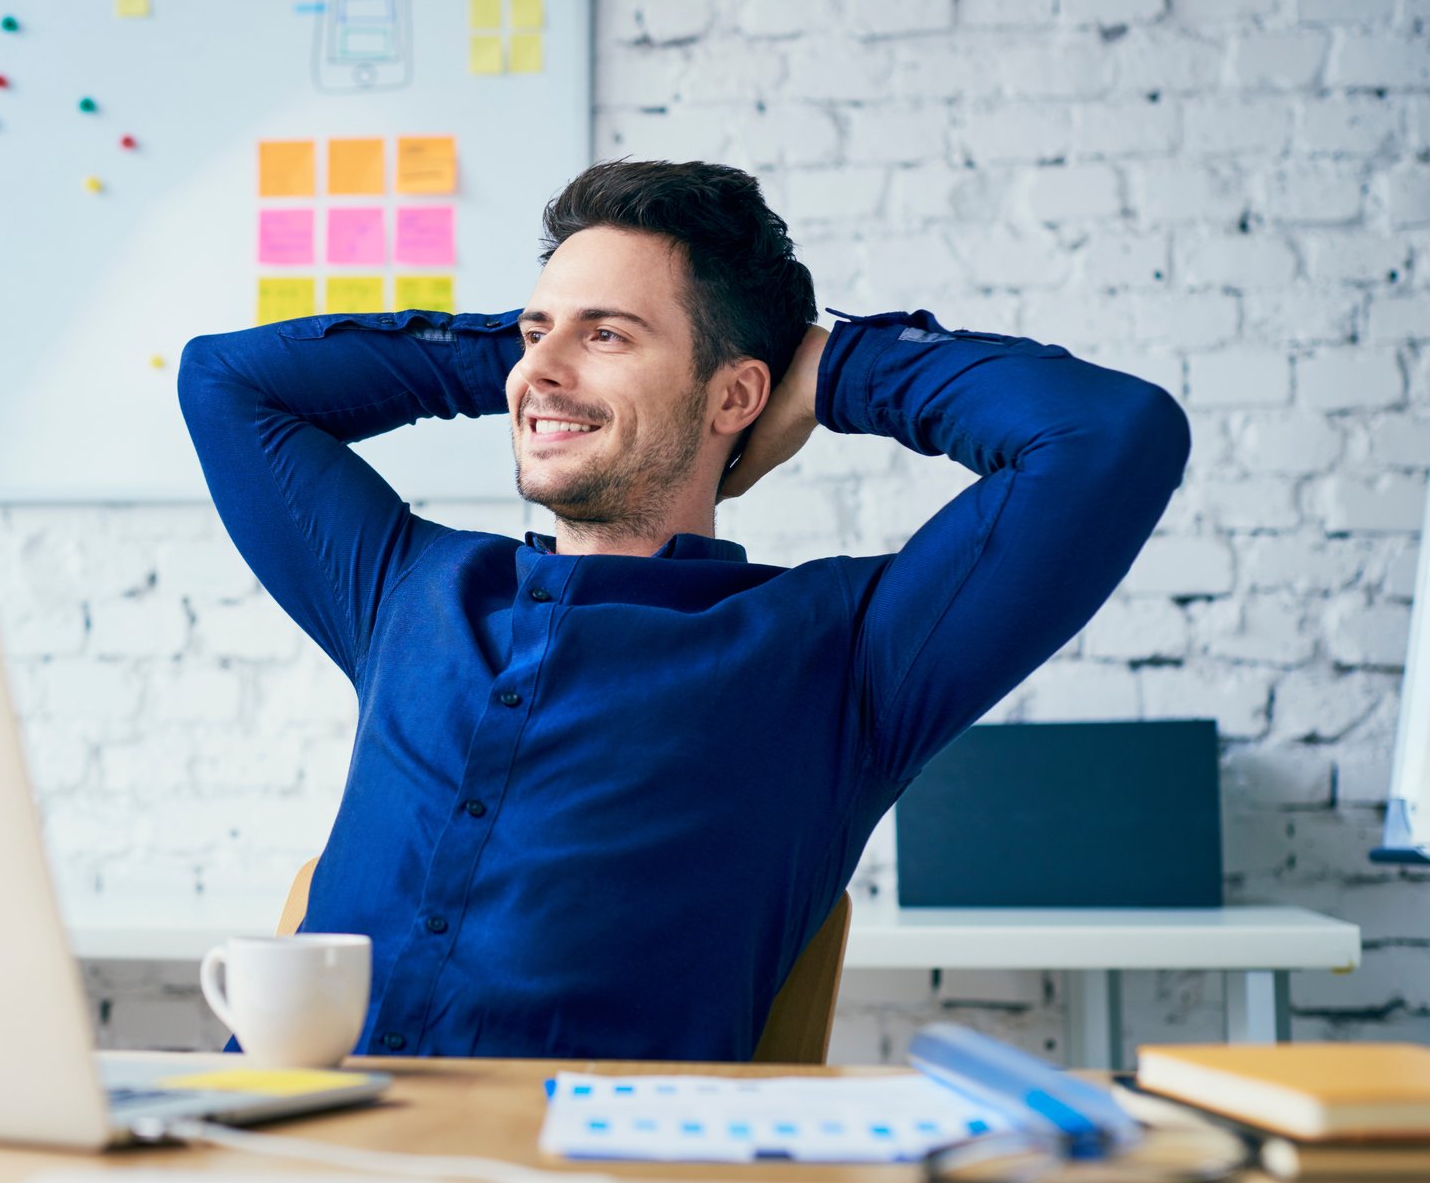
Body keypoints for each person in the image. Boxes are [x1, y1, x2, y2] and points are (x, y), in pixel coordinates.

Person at [178, 159, 1189, 1060]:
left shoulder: (843, 652)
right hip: (270, 1151)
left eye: (608, 333)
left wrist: (831, 368)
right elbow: (225, 380)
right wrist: (535, 352)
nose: (537, 368)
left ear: (734, 396)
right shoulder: (408, 586)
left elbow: (1106, 433)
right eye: (536, 330)